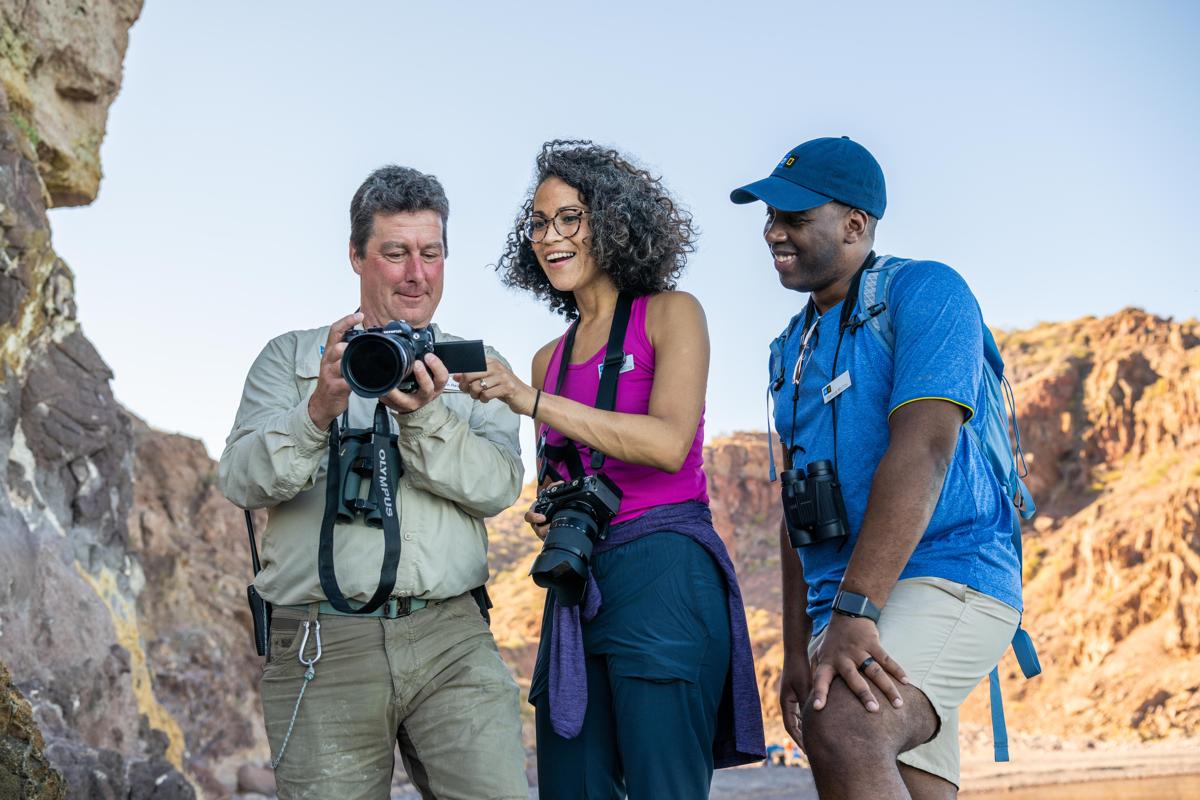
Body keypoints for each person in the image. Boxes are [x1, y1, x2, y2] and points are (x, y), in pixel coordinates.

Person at [458, 139, 764, 798]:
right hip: (578, 586)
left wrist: (531, 400)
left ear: (614, 221)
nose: (550, 236)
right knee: (571, 787)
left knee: (663, 787)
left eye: (570, 217)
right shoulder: (547, 360)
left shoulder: (672, 314)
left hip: (665, 576)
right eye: (538, 223)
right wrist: (548, 509)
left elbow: (668, 444)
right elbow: (558, 479)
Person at [218, 165, 528, 800]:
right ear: (357, 255)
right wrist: (316, 412)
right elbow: (240, 479)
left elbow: (498, 487)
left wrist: (429, 417)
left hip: (452, 639)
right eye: (395, 253)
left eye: (431, 252)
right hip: (319, 641)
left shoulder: (476, 369)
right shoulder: (294, 358)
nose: (416, 272)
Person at [730, 137, 1023, 799]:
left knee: (846, 725)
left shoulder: (928, 291)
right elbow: (795, 508)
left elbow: (925, 449)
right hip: (847, 606)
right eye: (770, 218)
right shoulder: (789, 349)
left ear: (855, 224)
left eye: (795, 218)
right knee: (903, 779)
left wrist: (854, 615)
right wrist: (797, 647)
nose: (774, 232)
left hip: (948, 572)